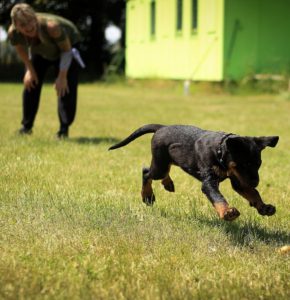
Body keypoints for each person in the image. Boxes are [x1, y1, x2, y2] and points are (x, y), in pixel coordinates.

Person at [8, 3, 83, 138]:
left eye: (31, 21)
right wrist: (29, 70)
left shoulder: (51, 27)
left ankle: (63, 130)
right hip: (41, 51)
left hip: (66, 49)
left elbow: (66, 51)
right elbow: (21, 50)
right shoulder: (13, 33)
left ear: (35, 18)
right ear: (16, 25)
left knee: (65, 87)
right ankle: (26, 127)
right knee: (31, 83)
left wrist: (62, 76)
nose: (29, 27)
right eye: (23, 25)